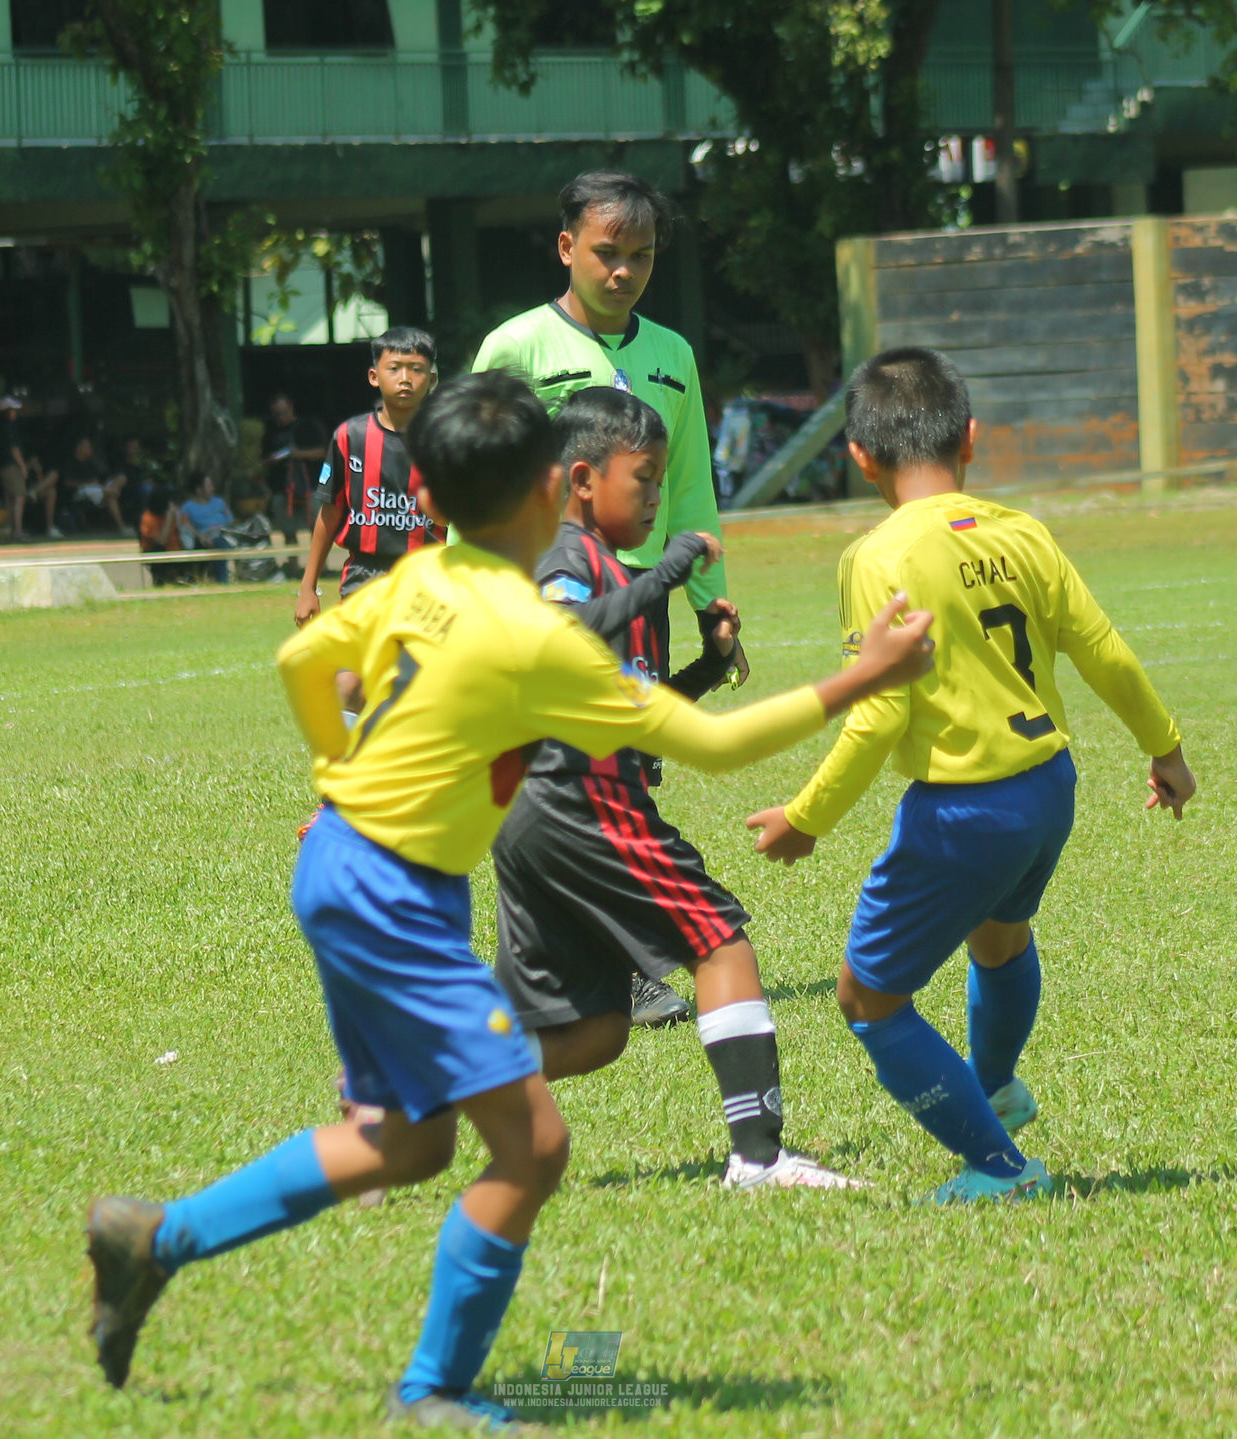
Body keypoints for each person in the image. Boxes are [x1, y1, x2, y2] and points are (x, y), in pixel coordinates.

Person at [81, 370, 939, 1428]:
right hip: (394, 895)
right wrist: (862, 676)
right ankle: (431, 1389)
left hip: (350, 869)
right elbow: (713, 745)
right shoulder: (535, 636)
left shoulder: (417, 576)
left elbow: (305, 655)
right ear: (550, 487)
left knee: (410, 1144)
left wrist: (337, 767)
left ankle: (154, 1238)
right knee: (532, 1149)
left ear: (426, 498)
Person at [746, 347, 1195, 1206]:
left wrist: (807, 816)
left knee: (868, 998)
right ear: (972, 437)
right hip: (1048, 786)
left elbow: (878, 715)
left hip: (962, 810)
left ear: (860, 456)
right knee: (1000, 937)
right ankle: (993, 1087)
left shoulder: (876, 557)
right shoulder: (1023, 532)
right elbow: (1104, 651)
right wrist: (1164, 748)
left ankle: (1001, 1167)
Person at [492, 386, 853, 1190]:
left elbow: (643, 709)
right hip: (578, 797)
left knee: (596, 1029)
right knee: (718, 940)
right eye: (645, 478)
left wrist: (709, 666)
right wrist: (667, 574)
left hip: (550, 809)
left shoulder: (618, 579)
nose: (658, 496)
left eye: (662, 480)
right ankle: (758, 1157)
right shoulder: (564, 561)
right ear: (582, 480)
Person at [474, 167, 747, 1025]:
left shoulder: (674, 356)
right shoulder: (515, 348)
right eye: (607, 252)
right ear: (567, 248)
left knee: (626, 771)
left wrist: (709, 600)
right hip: (547, 594)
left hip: (640, 595)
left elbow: (691, 484)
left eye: (643, 255)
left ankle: (596, 963)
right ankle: (578, 968)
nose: (624, 270)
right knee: (548, 774)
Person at [294, 326, 444, 718]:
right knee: (348, 685)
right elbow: (330, 512)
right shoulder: (350, 437)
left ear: (432, 379)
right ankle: (353, 758)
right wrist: (308, 586)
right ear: (374, 376)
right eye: (395, 368)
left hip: (428, 580)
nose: (405, 378)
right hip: (365, 575)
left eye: (416, 369)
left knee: (420, 687)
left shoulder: (446, 440)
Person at [264, 393, 324, 554]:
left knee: (316, 528)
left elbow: (322, 451)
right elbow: (264, 459)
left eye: (284, 412)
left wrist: (297, 454)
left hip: (310, 486)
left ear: (291, 407)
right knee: (288, 531)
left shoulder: (308, 426)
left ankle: (319, 565)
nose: (281, 417)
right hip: (282, 488)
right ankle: (293, 565)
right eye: (277, 414)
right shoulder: (271, 431)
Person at [0, 395, 60, 540]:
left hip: (3, 466)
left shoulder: (0, 427)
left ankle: (12, 530)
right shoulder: (9, 426)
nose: (15, 413)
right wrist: (23, 466)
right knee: (20, 496)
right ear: (8, 411)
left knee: (11, 498)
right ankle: (18, 531)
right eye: (13, 410)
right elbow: (14, 449)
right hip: (11, 466)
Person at [178, 472, 239, 582]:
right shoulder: (188, 508)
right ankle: (222, 581)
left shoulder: (219, 502)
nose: (212, 488)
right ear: (199, 490)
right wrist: (200, 536)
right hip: (207, 538)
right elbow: (185, 526)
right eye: (209, 486)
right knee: (219, 544)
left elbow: (231, 520)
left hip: (227, 533)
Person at [65, 435, 131, 537]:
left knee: (122, 478)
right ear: (79, 448)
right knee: (108, 494)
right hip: (80, 492)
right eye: (87, 446)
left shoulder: (90, 464)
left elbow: (98, 480)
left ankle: (109, 491)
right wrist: (89, 484)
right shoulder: (70, 463)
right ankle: (122, 526)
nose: (90, 449)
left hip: (97, 489)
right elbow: (67, 483)